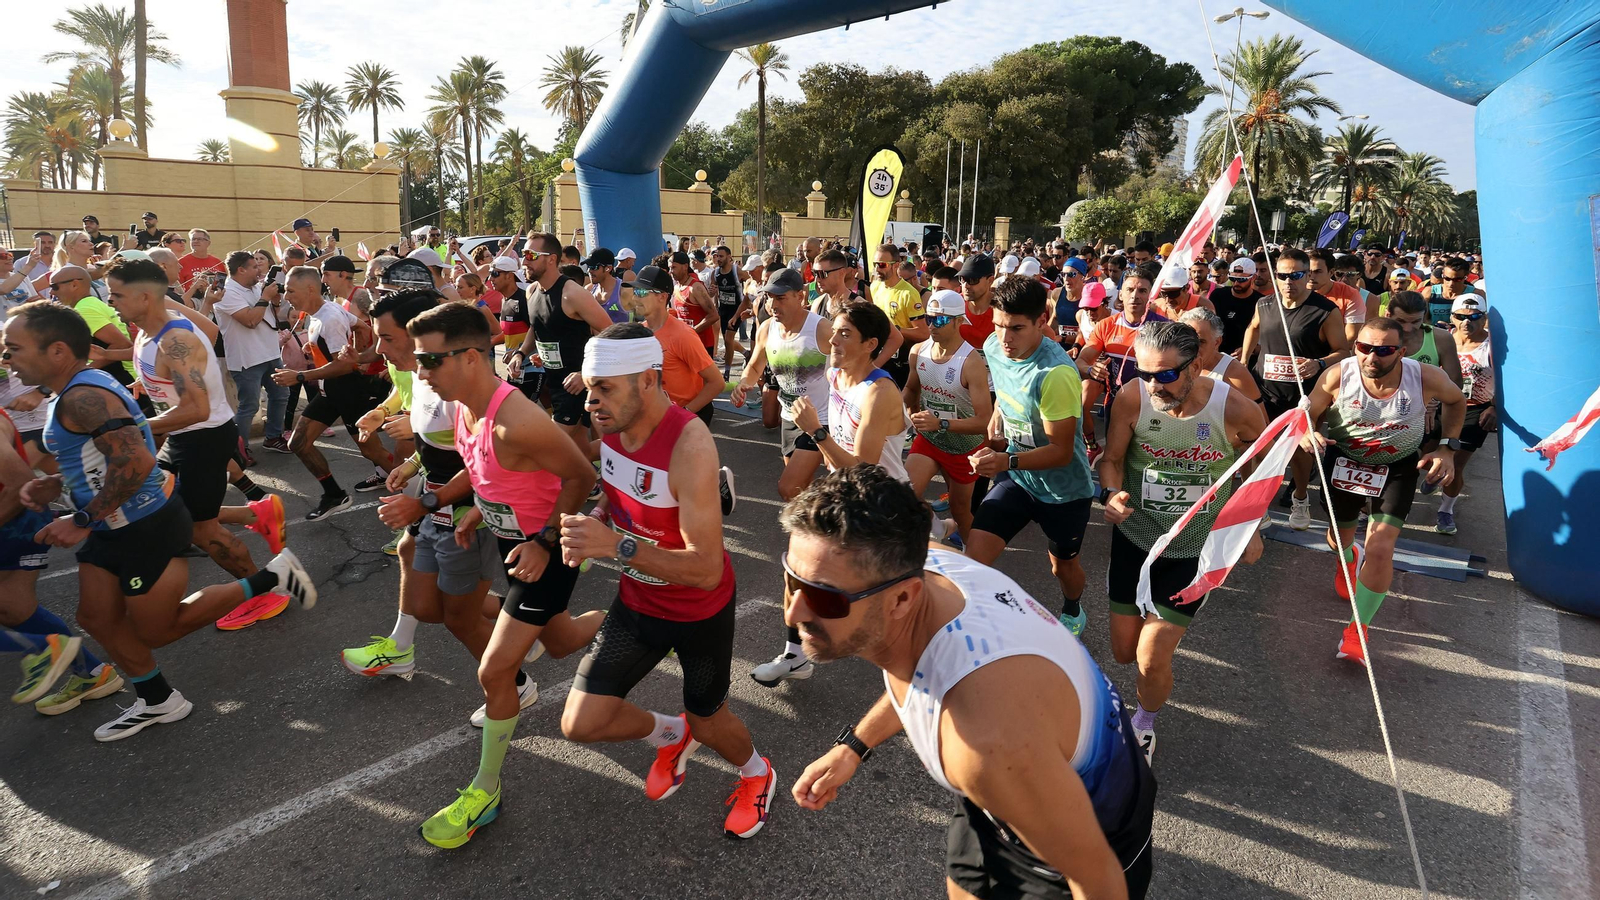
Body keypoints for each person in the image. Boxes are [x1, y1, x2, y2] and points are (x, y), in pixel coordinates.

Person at [785, 466, 1157, 899]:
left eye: (824, 597)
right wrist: (854, 746)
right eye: (791, 579)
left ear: (902, 598)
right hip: (1010, 791)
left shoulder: (985, 741)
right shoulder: (924, 562)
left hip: (1081, 838)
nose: (793, 612)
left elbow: (1098, 880)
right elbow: (925, 674)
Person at [5, 301, 314, 741]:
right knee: (96, 617)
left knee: (157, 630)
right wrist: (56, 484)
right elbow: (99, 457)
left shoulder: (83, 397)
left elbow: (135, 461)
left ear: (57, 351)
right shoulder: (70, 391)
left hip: (143, 524)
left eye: (14, 348)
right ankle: (159, 700)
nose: (6, 358)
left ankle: (274, 576)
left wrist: (80, 519)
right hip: (111, 524)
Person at [556, 324, 774, 842]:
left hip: (697, 611)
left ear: (648, 381)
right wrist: (598, 520)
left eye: (604, 388)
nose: (591, 402)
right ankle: (670, 735)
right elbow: (615, 490)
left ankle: (757, 773)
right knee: (580, 723)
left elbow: (706, 569)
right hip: (637, 601)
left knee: (709, 722)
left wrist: (614, 546)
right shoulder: (613, 425)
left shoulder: (690, 445)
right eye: (590, 387)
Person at [404, 302, 603, 848]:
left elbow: (581, 476)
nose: (420, 371)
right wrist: (477, 509)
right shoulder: (464, 408)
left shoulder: (519, 420)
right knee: (560, 642)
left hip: (545, 550)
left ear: (471, 357)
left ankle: (485, 790)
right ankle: (633, 623)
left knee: (495, 673)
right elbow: (481, 469)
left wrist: (543, 543)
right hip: (516, 546)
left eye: (429, 359)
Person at [1095, 322, 1265, 763]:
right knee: (1123, 652)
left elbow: (1261, 472)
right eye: (1145, 373)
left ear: (1197, 365)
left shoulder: (1237, 410)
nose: (1154, 385)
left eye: (1166, 375)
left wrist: (1250, 526)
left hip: (1195, 550)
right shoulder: (1133, 398)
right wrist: (1111, 494)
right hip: (1136, 539)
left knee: (1150, 657)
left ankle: (1143, 726)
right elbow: (1111, 460)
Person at [108, 258, 291, 631]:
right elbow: (210, 330)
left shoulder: (175, 340)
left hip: (202, 438)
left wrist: (134, 426)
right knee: (162, 506)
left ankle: (265, 592)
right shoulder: (148, 331)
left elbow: (197, 408)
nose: (111, 301)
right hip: (182, 437)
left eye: (117, 295)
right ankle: (256, 515)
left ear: (144, 297)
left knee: (201, 529)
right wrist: (152, 382)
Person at [344, 289, 501, 683]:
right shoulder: (420, 376)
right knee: (431, 604)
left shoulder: (458, 389)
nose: (380, 349)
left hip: (467, 516)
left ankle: (515, 682)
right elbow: (441, 443)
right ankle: (517, 619)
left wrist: (425, 502)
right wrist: (413, 463)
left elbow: (486, 461)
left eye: (387, 338)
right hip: (438, 506)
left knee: (459, 619)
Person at [758, 300, 910, 686]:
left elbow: (863, 469)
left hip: (883, 504)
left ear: (870, 344)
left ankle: (921, 676)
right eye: (834, 331)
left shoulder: (880, 392)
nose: (834, 340)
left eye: (845, 334)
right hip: (843, 491)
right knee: (798, 569)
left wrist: (815, 430)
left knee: (901, 599)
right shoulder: (834, 373)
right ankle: (795, 656)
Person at [1300, 317, 1465, 665]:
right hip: (1345, 461)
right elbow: (1308, 413)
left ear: (1401, 352)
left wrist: (1447, 447)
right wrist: (1308, 432)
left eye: (1384, 350)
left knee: (1381, 547)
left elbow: (1456, 401)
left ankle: (1357, 632)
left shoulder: (1425, 377)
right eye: (1364, 348)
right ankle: (1348, 558)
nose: (1372, 357)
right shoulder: (1337, 375)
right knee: (1337, 539)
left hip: (1397, 466)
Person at [967, 277, 1096, 636]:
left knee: (1062, 568)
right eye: (999, 325)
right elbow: (1005, 387)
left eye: (1016, 328)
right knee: (974, 557)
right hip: (1020, 480)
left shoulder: (1055, 374)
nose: (1005, 338)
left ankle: (1073, 610)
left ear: (1042, 321)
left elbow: (1060, 452)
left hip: (1063, 491)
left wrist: (1005, 461)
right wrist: (998, 415)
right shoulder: (993, 346)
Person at [0, 397, 115, 714]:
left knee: (12, 607)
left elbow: (21, 484)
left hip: (15, 522)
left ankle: (44, 648)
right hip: (17, 522)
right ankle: (92, 674)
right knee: (12, 608)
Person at [270, 267, 394, 519]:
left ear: (310, 289)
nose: (286, 297)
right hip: (330, 390)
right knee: (299, 443)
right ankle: (334, 495)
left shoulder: (330, 317)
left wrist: (300, 376)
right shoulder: (320, 313)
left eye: (291, 291)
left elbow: (343, 365)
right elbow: (361, 327)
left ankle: (418, 490)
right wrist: (325, 349)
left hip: (347, 389)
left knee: (372, 451)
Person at [1239, 247, 1349, 530]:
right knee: (1259, 447)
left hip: (1305, 396)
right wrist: (1243, 363)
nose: (1289, 282)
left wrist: (1319, 363)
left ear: (1307, 276)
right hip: (1265, 391)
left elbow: (1343, 351)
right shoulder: (1265, 304)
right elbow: (1252, 328)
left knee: (1301, 451)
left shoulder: (1325, 311)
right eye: (1282, 276)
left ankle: (1300, 497)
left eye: (1296, 275)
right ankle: (1258, 504)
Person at [732, 266, 833, 500]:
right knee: (798, 493)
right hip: (789, 417)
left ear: (800, 297)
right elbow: (755, 366)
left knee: (788, 487)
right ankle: (823, 516)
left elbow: (852, 367)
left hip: (821, 419)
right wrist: (743, 383)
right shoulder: (767, 328)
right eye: (769, 297)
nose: (773, 304)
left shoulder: (822, 329)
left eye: (781, 298)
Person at [904, 290, 992, 545]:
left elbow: (983, 421)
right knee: (905, 495)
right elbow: (911, 389)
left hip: (964, 447)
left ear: (958, 321)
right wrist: (903, 409)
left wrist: (941, 423)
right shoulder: (919, 351)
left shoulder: (970, 362)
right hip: (930, 440)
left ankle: (974, 560)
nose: (932, 325)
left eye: (940, 320)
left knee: (961, 511)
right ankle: (938, 527)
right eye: (929, 318)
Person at [1075, 268, 1167, 462]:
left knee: (1146, 464)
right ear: (1121, 294)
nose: (1135, 295)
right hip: (1116, 406)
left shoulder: (1164, 328)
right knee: (1114, 460)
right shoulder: (1106, 325)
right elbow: (1081, 361)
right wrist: (1092, 370)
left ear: (1149, 295)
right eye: (1130, 290)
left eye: (1142, 291)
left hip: (1152, 408)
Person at [213, 250, 290, 463]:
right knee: (249, 406)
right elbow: (250, 321)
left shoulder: (257, 287)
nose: (259, 270)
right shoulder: (227, 293)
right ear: (241, 270)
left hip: (270, 352)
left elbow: (272, 317)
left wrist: (274, 301)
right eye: (254, 266)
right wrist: (265, 298)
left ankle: (273, 437)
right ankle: (238, 449)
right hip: (247, 358)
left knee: (281, 395)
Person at [625, 264, 724, 427]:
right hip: (656, 416)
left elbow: (716, 383)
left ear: (662, 297)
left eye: (642, 292)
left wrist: (682, 414)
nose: (635, 299)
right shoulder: (640, 333)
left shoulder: (682, 335)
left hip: (687, 418)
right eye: (635, 292)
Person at [1438, 295, 1494, 535]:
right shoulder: (1444, 339)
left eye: (1474, 317)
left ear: (1484, 319)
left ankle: (1445, 510)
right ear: (1452, 317)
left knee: (1455, 464)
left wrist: (1495, 407)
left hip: (1475, 409)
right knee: (1426, 455)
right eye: (1460, 317)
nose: (1466, 322)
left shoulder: (1493, 345)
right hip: (1441, 405)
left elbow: (1508, 379)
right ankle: (1433, 478)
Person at [869, 243, 928, 387]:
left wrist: (896, 330)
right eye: (875, 264)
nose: (877, 269)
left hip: (901, 363)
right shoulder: (875, 286)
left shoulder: (909, 293)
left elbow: (923, 333)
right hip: (879, 355)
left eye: (882, 265)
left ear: (895, 265)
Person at [1176, 307, 1260, 402]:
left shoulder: (1234, 373)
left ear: (1217, 342)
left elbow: (1258, 411)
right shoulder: (1176, 365)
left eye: (1201, 342)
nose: (1193, 347)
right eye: (1187, 341)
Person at [1205, 257, 1263, 355]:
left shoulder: (1261, 302)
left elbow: (1266, 338)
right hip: (1217, 355)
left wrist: (1248, 350)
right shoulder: (1218, 295)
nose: (1236, 283)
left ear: (1253, 278)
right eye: (1233, 279)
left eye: (1241, 280)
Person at [667, 250, 719, 358]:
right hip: (685, 342)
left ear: (685, 267)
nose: (671, 271)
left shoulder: (695, 287)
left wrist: (692, 331)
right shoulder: (676, 287)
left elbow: (714, 315)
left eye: (674, 267)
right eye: (670, 268)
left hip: (702, 343)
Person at [708, 245, 749, 375]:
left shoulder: (737, 271)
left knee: (728, 339)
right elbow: (712, 292)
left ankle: (726, 373)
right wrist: (712, 294)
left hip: (737, 310)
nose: (718, 259)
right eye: (717, 256)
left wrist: (748, 298)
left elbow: (751, 282)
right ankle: (746, 353)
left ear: (729, 257)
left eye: (721, 256)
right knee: (728, 341)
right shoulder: (715, 273)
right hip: (723, 310)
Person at [583, 248, 629, 324]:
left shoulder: (623, 290)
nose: (589, 271)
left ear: (608, 268)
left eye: (594, 267)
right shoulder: (588, 290)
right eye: (588, 267)